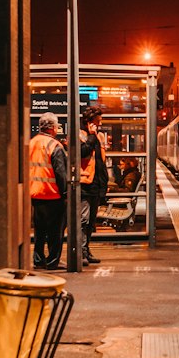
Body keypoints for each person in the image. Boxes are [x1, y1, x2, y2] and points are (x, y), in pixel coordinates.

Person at [29, 112, 67, 269]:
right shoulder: (54, 146)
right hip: (53, 195)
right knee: (55, 232)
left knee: (39, 231)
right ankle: (52, 262)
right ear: (52, 127)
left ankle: (38, 260)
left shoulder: (31, 143)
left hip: (35, 194)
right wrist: (65, 193)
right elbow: (60, 173)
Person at [79, 107, 109, 265]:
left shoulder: (99, 136)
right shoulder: (80, 135)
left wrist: (105, 183)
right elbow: (82, 153)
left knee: (90, 222)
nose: (100, 124)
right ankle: (81, 252)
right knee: (83, 221)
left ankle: (86, 250)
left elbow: (101, 161)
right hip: (84, 184)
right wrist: (91, 137)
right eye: (98, 121)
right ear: (89, 122)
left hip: (96, 185)